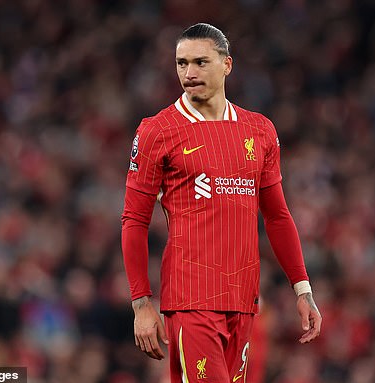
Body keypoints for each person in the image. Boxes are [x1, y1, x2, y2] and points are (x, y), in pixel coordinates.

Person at [121, 23, 322, 382]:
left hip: (243, 300)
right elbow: (134, 219)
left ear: (227, 64)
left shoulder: (259, 130)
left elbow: (276, 215)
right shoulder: (157, 130)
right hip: (190, 297)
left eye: (200, 62)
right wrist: (141, 303)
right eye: (182, 63)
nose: (189, 73)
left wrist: (302, 289)